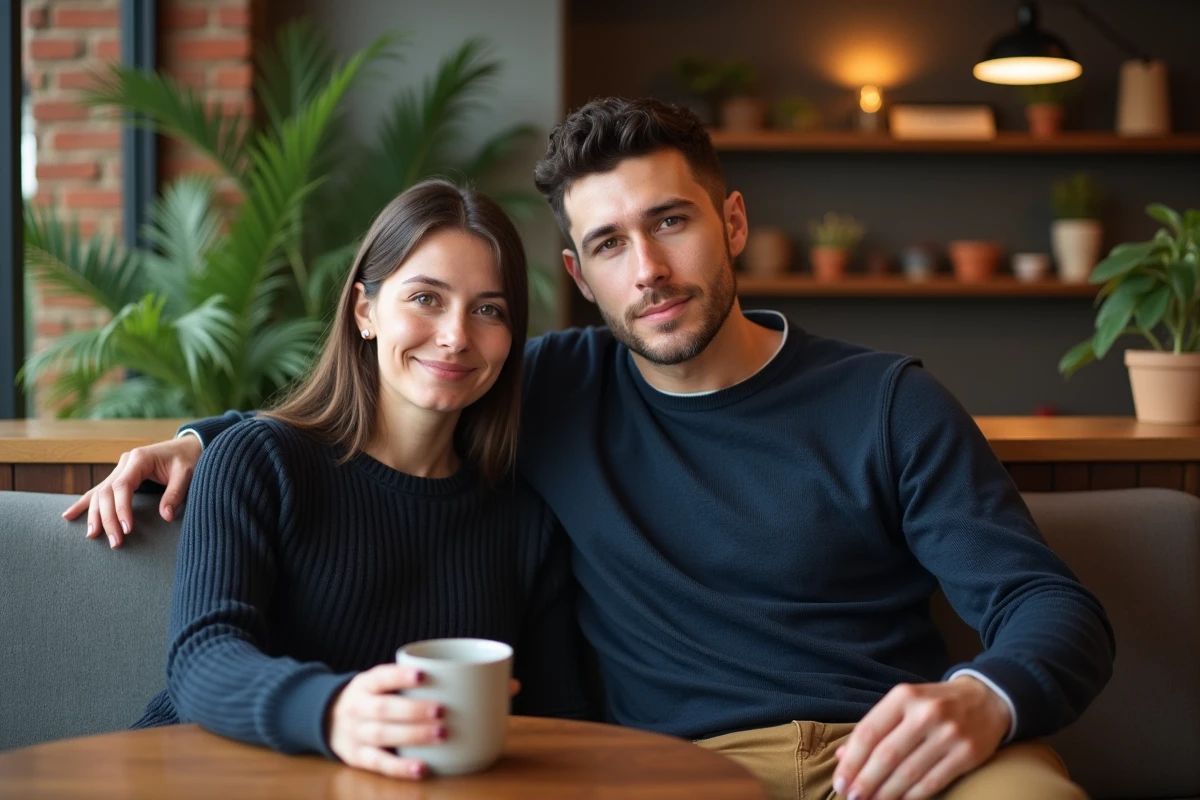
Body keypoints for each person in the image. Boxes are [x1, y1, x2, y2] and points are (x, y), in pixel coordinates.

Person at [70, 99, 1113, 800]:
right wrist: (204, 440)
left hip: (900, 751)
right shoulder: (549, 379)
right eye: (612, 243)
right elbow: (403, 379)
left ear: (733, 221)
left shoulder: (887, 400)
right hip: (687, 766)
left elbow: (1054, 606)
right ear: (580, 270)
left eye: (673, 221)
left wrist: (987, 696)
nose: (649, 267)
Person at [121, 179, 588, 781]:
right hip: (201, 777)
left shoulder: (525, 518)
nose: (455, 335)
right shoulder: (259, 462)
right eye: (426, 298)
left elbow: (562, 721)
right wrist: (332, 711)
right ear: (366, 311)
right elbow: (202, 659)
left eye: (489, 310)